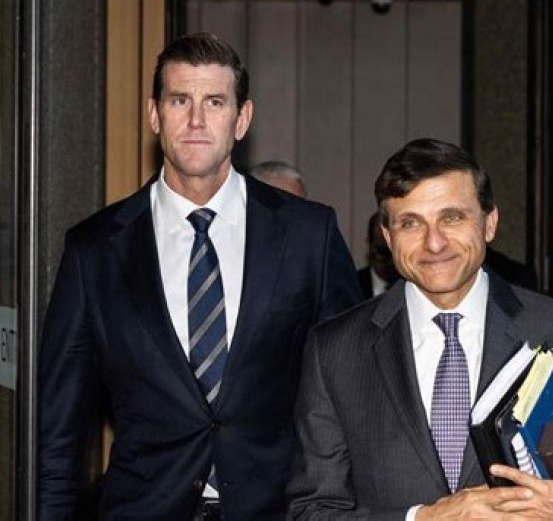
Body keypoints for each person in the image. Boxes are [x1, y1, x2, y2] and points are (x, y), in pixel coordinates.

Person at [37, 32, 362, 520]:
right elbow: (58, 433)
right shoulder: (94, 250)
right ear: (154, 115)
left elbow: (352, 395)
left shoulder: (308, 235)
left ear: (241, 119)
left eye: (214, 102)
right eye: (179, 101)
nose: (195, 120)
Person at [287, 139, 553, 519]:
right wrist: (422, 518)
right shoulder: (335, 350)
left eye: (452, 217)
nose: (434, 243)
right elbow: (312, 511)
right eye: (410, 223)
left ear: (489, 223)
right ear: (387, 238)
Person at [356, 212, 400, 299]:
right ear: (370, 245)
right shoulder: (352, 285)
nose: (391, 261)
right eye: (383, 252)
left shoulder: (414, 286)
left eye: (394, 253)